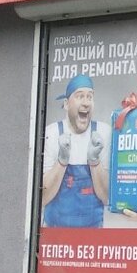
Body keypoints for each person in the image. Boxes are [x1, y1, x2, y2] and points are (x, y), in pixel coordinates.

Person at [41, 74, 108, 227]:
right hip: (54, 233)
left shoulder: (103, 134)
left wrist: (95, 161)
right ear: (66, 104)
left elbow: (107, 198)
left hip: (93, 234)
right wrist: (62, 161)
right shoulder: (51, 134)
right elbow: (42, 198)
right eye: (80, 96)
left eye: (90, 97)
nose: (86, 103)